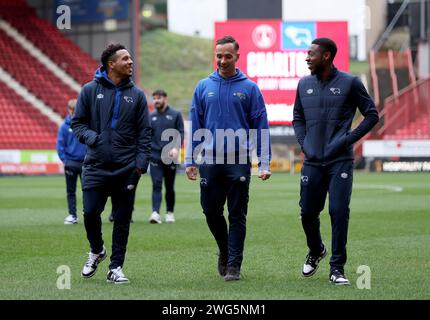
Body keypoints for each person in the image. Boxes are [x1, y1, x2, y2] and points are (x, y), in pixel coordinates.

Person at [293, 38, 379, 285]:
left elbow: (372, 115)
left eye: (312, 54)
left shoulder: (350, 83)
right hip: (312, 161)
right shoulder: (304, 84)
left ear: (327, 56)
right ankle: (317, 249)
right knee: (308, 213)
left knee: (338, 212)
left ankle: (337, 268)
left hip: (340, 160)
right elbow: (297, 117)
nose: (307, 58)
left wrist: (346, 140)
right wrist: (304, 143)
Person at [185, 35, 272, 281]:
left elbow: (260, 126)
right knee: (210, 211)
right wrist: (190, 159)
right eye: (219, 56)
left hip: (238, 160)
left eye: (228, 56)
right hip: (210, 160)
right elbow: (195, 126)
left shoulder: (250, 88)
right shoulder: (203, 87)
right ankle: (225, 250)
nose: (223, 61)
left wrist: (264, 162)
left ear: (237, 56)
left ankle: (234, 265)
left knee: (237, 215)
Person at [71, 43, 151, 284]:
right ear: (111, 64)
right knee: (90, 213)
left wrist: (140, 165)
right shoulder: (88, 91)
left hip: (127, 169)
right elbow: (77, 124)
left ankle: (116, 267)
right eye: (125, 59)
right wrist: (93, 138)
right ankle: (97, 250)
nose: (130, 62)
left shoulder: (137, 95)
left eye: (130, 58)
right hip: (95, 166)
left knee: (122, 219)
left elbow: (145, 133)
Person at [148, 89, 184, 224]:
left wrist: (175, 148)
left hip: (170, 157)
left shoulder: (175, 114)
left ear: (165, 98)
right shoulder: (151, 116)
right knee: (156, 184)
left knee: (169, 186)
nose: (156, 101)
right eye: (154, 98)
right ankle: (155, 213)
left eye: (158, 98)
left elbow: (180, 132)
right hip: (155, 156)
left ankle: (169, 212)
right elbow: (147, 135)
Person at [56, 98, 86, 225]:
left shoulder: (85, 124)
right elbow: (60, 145)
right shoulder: (65, 126)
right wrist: (66, 161)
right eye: (72, 109)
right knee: (74, 191)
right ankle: (75, 215)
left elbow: (60, 145)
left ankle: (83, 214)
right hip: (72, 163)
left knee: (85, 190)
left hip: (85, 163)